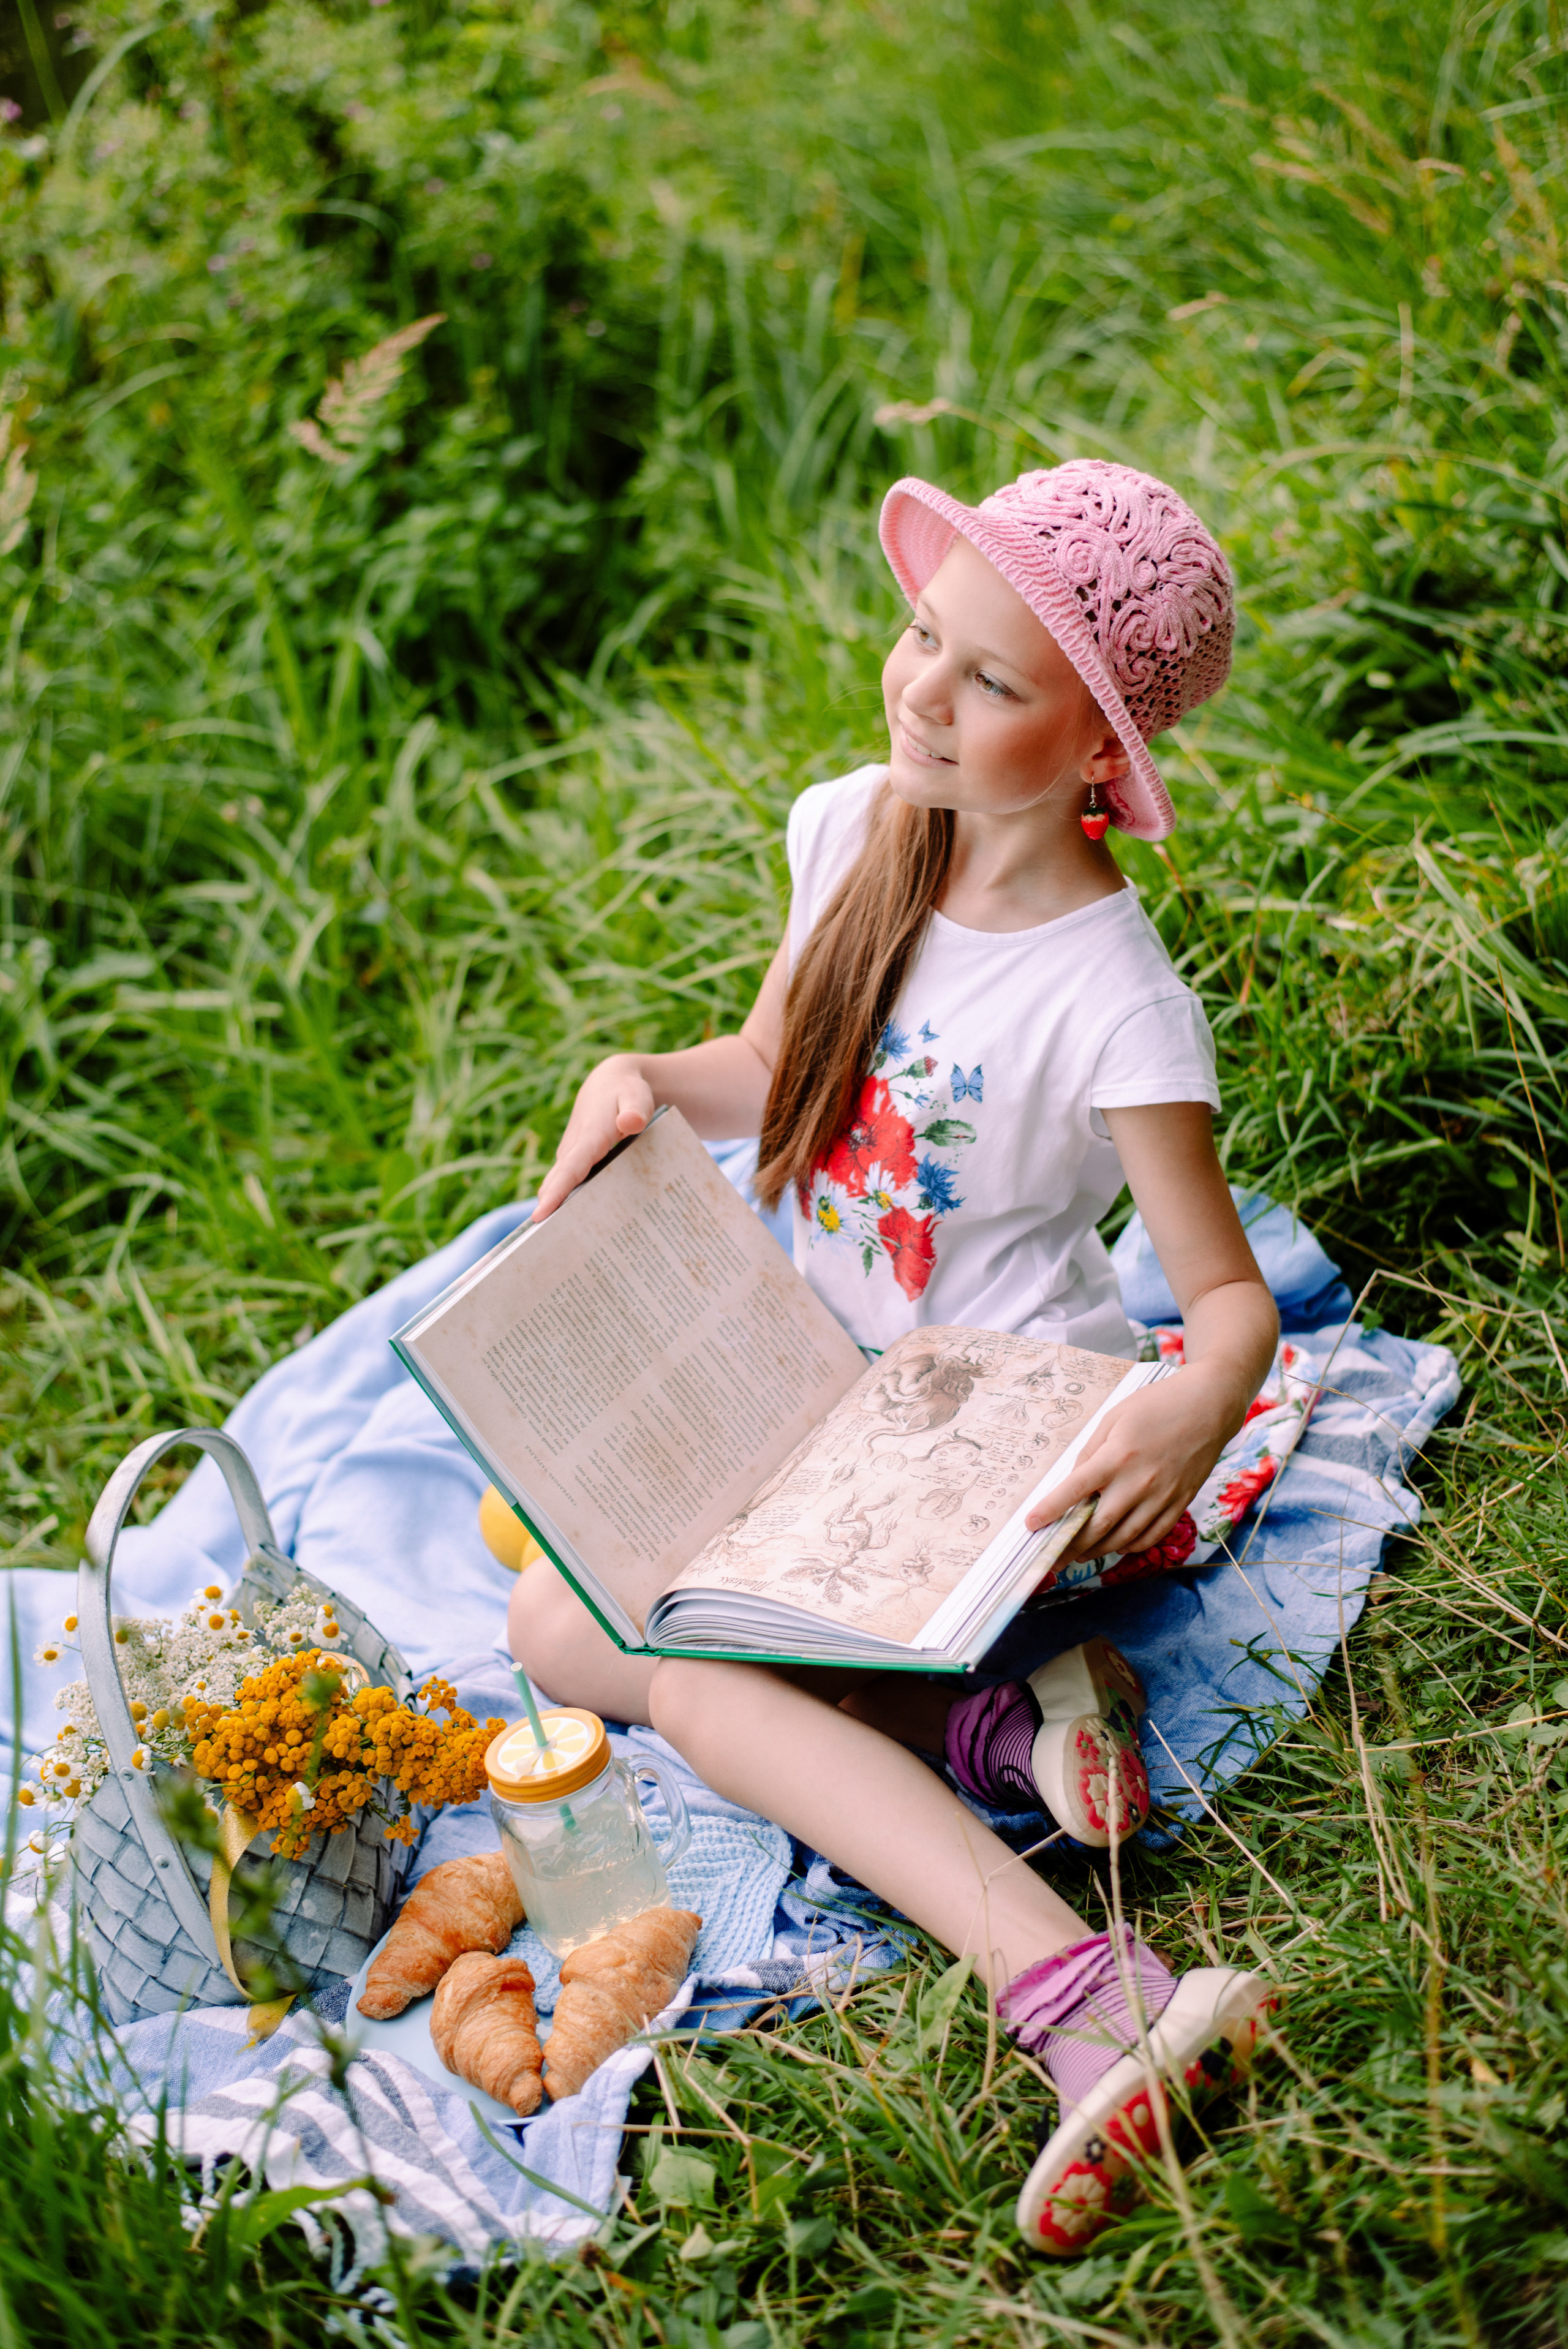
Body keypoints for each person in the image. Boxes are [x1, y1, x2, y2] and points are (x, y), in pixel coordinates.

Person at [508, 459, 1283, 2253]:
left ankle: (1084, 1988)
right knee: (558, 1618)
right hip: (826, 1416)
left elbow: (1228, 1298)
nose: (924, 687)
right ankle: (998, 1726)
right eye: (926, 633)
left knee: (688, 1682)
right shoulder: (858, 826)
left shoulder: (1110, 995)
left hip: (998, 1461)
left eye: (993, 680)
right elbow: (781, 1067)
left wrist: (1191, 1409)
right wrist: (643, 1079)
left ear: (1102, 751)